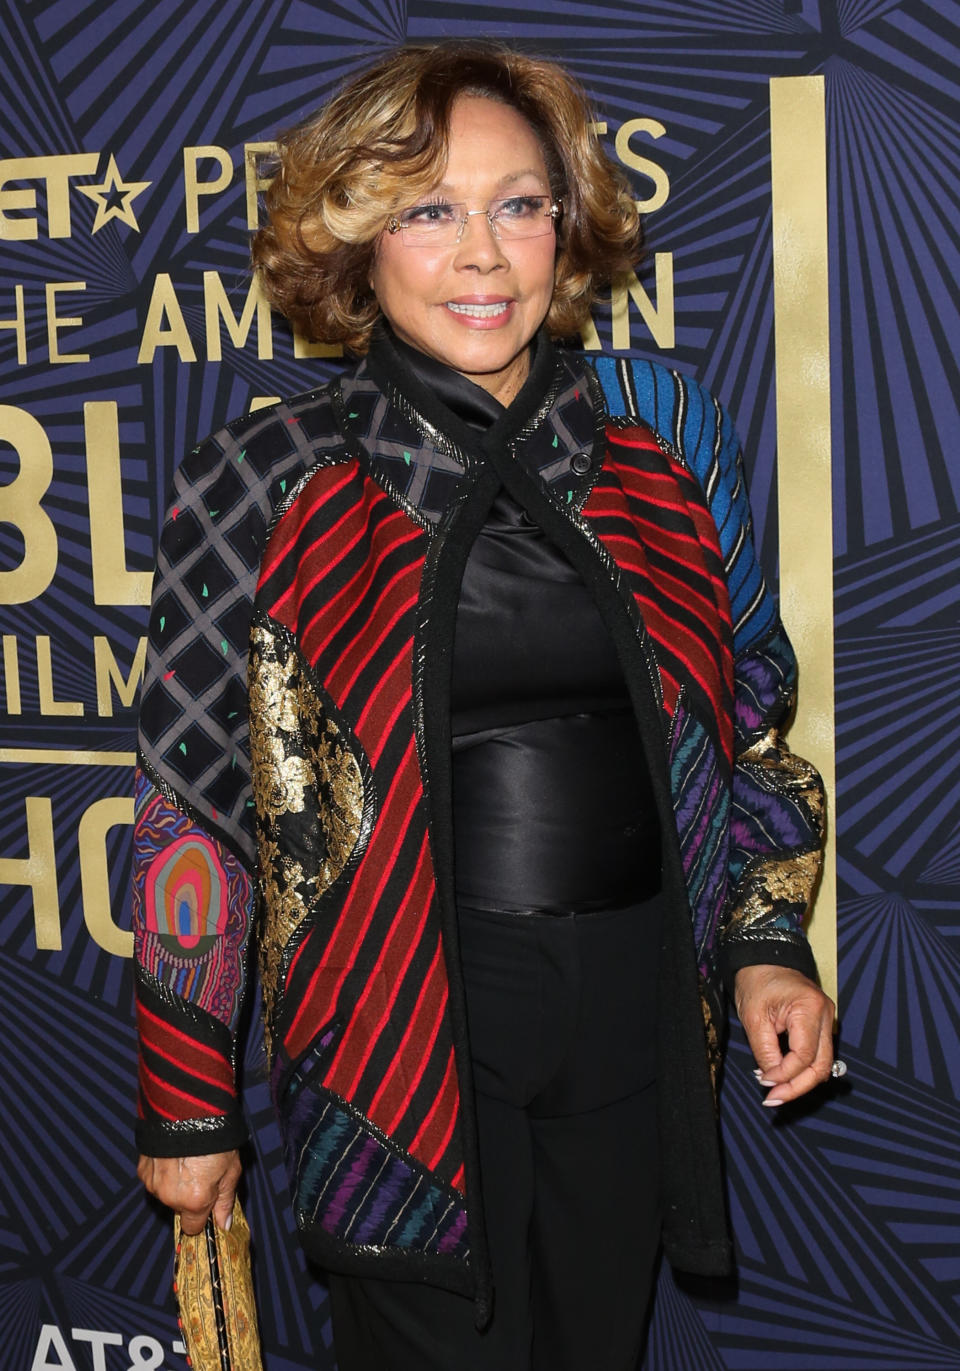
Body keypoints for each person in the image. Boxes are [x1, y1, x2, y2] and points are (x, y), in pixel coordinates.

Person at [133, 41, 836, 1371]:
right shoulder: (264, 480)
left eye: (519, 203)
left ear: (566, 225)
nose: (483, 254)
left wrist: (763, 939)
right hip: (392, 1033)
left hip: (635, 1001)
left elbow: (746, 722)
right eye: (429, 210)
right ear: (354, 242)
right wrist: (185, 1109)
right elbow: (190, 814)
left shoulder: (666, 441)